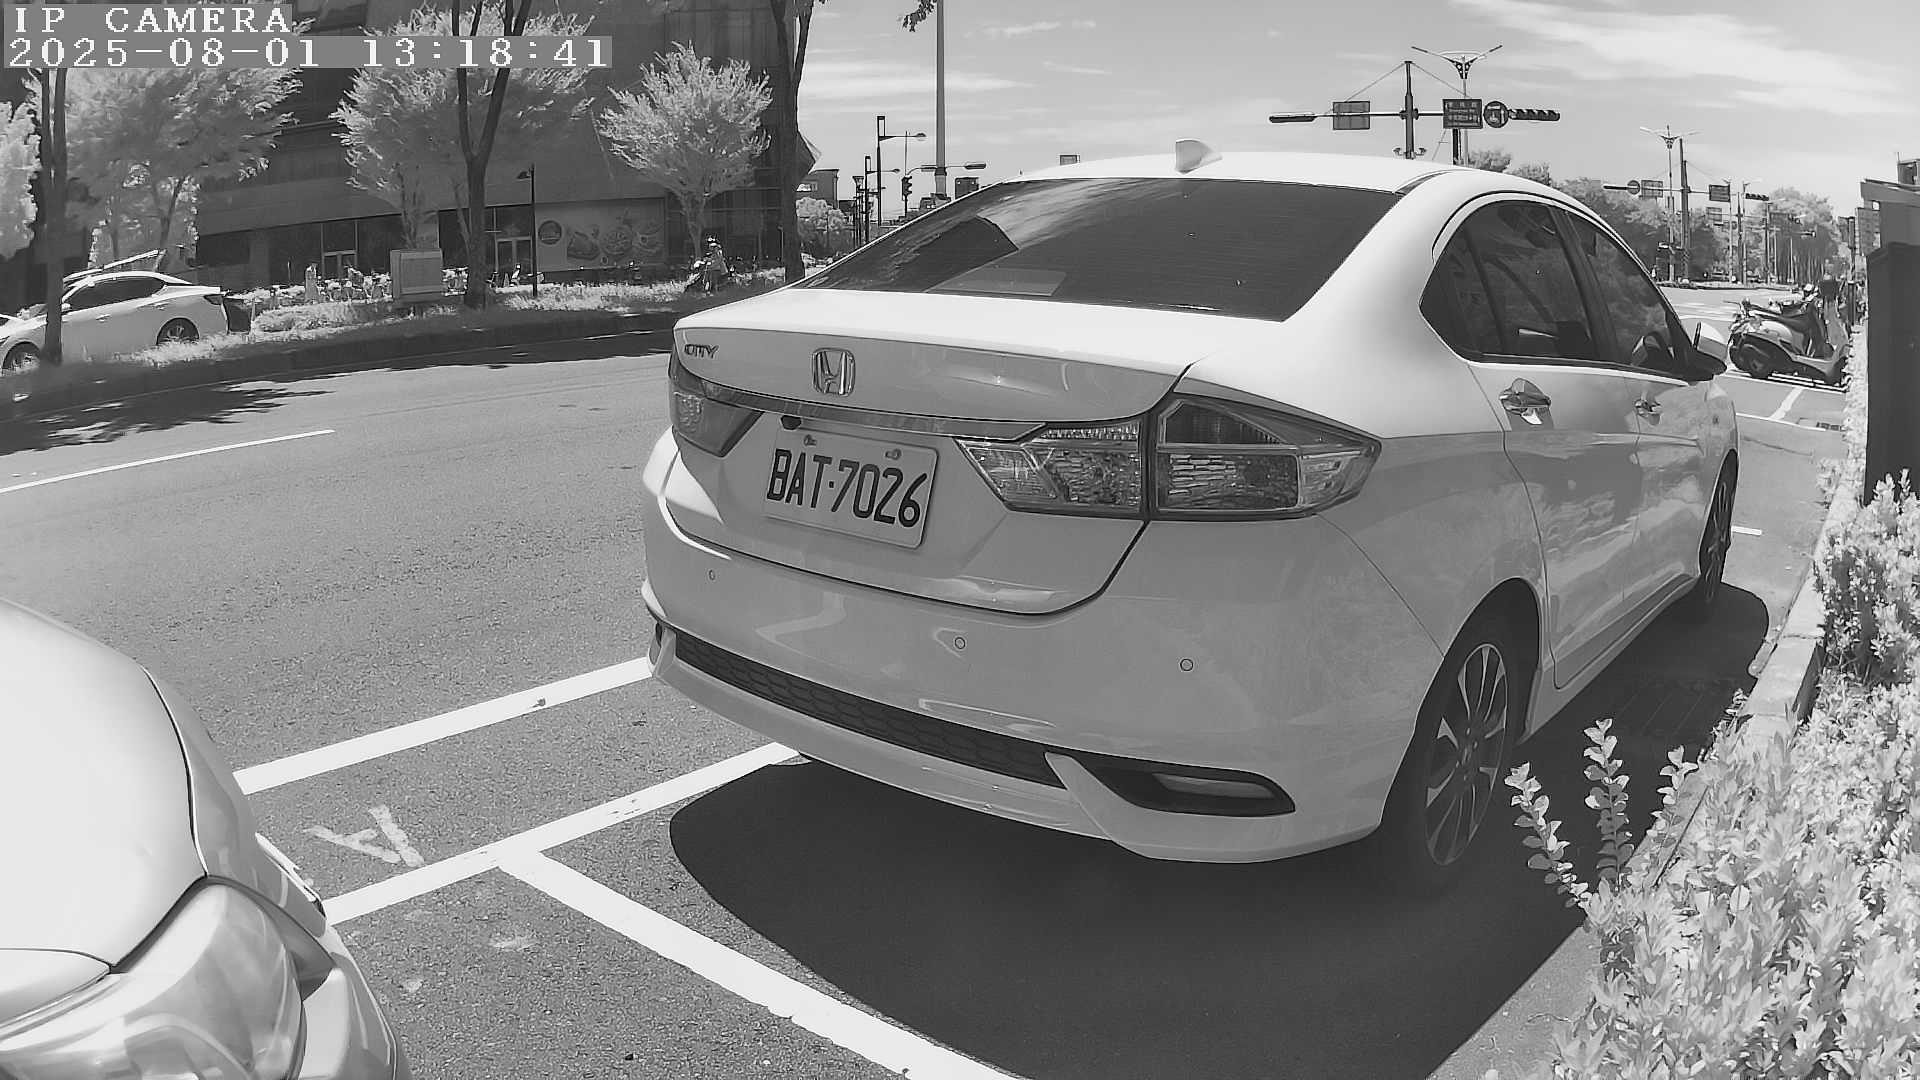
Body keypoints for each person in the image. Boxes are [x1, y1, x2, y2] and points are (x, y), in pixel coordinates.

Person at [1817, 273, 1844, 357]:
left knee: (1833, 334)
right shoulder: (1830, 300)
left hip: (1831, 321)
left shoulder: (1829, 300)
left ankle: (1836, 351)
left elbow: (1827, 313)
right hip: (1831, 320)